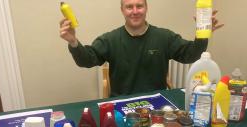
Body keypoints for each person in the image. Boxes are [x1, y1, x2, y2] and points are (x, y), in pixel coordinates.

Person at [60, 0, 223, 97]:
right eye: (129, 7)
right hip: (122, 104)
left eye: (139, 6)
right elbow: (87, 60)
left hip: (157, 104)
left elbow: (190, 55)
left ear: (146, 8)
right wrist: (73, 41)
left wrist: (202, 34)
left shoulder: (164, 37)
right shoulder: (110, 39)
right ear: (122, 10)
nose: (135, 11)